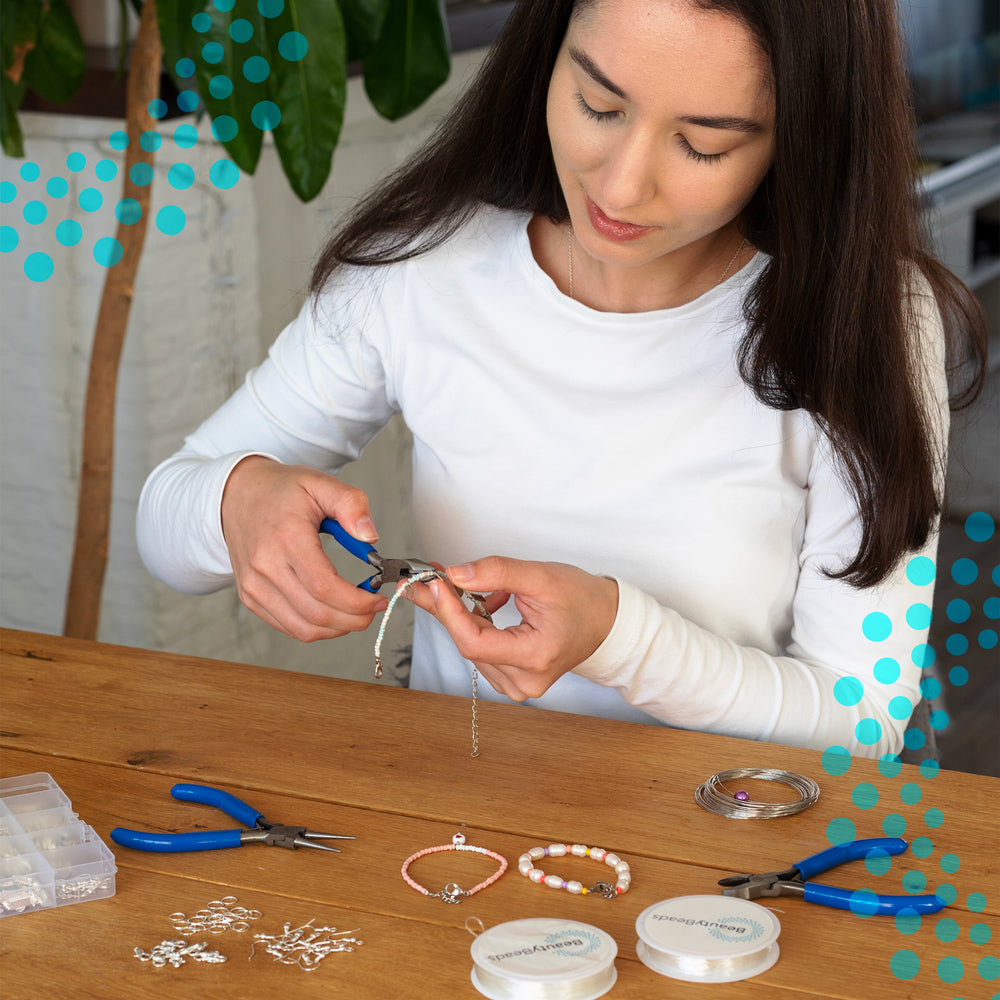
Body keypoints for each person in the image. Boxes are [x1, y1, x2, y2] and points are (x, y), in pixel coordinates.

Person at [137, 0, 986, 757]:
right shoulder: (424, 267)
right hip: (457, 840)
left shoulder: (869, 320)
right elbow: (166, 520)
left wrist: (620, 637)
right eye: (597, 104)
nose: (621, 185)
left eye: (703, 143)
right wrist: (238, 501)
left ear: (804, 135)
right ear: (546, 53)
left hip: (723, 867)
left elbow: (866, 717)